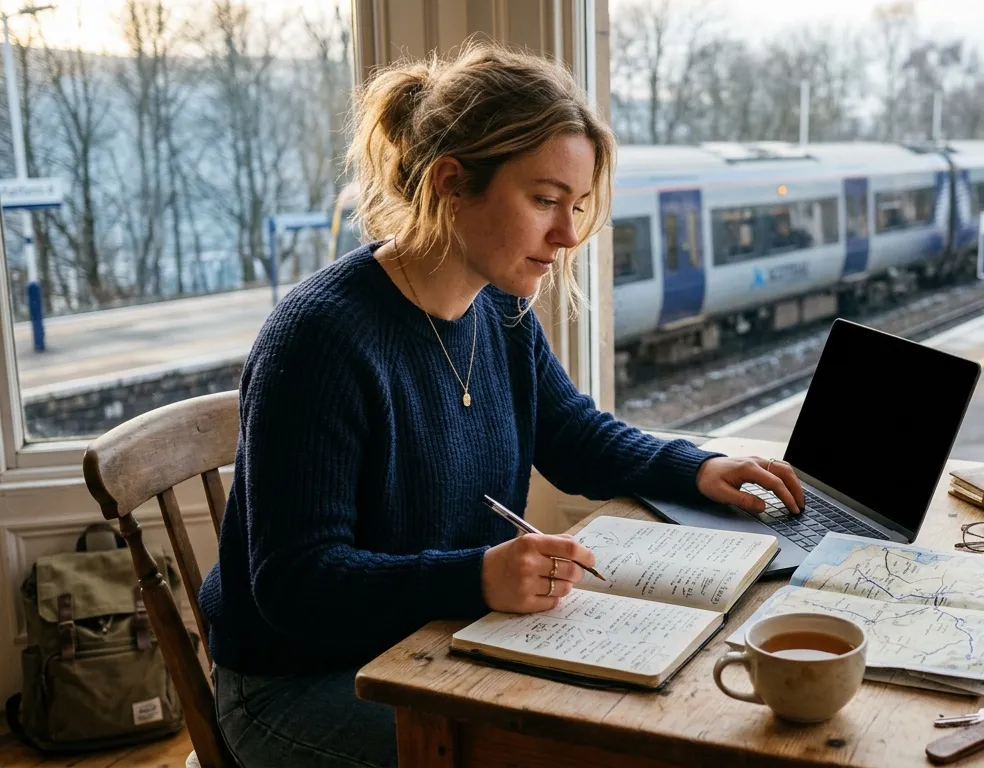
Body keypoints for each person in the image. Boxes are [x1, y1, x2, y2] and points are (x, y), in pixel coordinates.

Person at [198, 41, 806, 768]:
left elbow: (571, 434)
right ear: (453, 182)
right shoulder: (321, 340)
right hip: (299, 685)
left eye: (576, 205)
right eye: (545, 200)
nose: (568, 234)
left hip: (439, 641)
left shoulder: (500, 310)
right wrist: (477, 575)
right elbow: (296, 586)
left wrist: (695, 468)